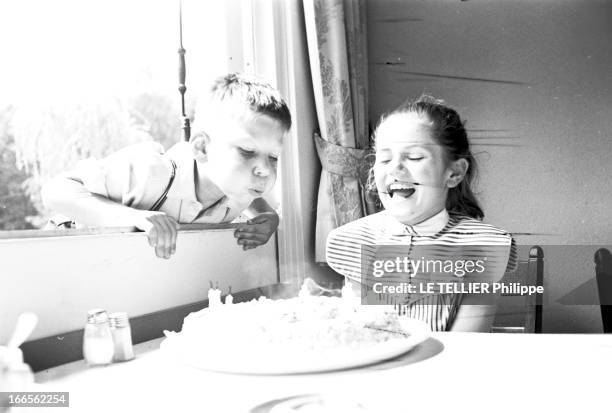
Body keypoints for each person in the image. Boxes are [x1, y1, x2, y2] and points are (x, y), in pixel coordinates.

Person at [42, 73, 291, 259]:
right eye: (247, 151)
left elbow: (251, 198)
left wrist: (268, 218)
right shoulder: (150, 172)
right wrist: (130, 217)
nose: (265, 170)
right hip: (63, 253)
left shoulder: (238, 188)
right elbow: (56, 190)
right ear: (202, 148)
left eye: (273, 157)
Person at [326, 95, 516, 332]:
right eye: (384, 159)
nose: (395, 168)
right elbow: (358, 334)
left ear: (454, 173)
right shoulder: (353, 240)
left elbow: (467, 342)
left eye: (414, 157)